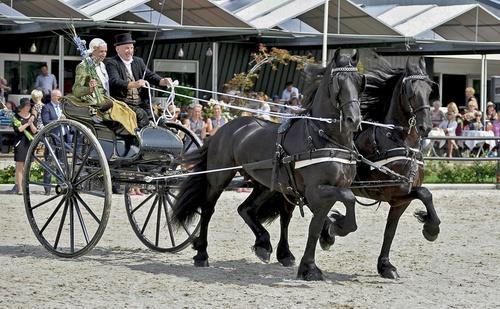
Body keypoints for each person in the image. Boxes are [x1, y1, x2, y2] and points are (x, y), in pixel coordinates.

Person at [72, 38, 138, 135]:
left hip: (106, 100)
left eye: (105, 51)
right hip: (95, 103)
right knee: (123, 115)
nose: (104, 54)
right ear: (93, 51)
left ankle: (132, 135)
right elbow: (76, 90)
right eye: (101, 51)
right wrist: (89, 89)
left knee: (130, 112)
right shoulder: (83, 66)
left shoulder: (102, 65)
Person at [105, 33, 172, 128]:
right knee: (142, 115)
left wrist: (163, 81)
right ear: (117, 49)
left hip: (140, 102)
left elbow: (150, 75)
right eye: (127, 48)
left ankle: (166, 135)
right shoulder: (112, 63)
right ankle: (140, 138)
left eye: (131, 48)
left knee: (157, 117)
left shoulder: (138, 61)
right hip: (123, 103)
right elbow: (114, 81)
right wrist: (134, 84)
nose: (130, 51)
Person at [12, 98, 37, 195]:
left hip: (29, 143)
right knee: (19, 166)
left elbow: (34, 131)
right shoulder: (15, 116)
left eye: (29, 106)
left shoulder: (32, 116)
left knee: (27, 167)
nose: (28, 107)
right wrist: (27, 123)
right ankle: (20, 188)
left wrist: (31, 123)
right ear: (22, 106)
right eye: (26, 105)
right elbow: (19, 129)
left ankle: (26, 186)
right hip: (20, 142)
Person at [40, 89, 64, 195]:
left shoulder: (62, 107)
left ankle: (61, 187)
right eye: (58, 96)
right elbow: (46, 122)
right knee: (49, 164)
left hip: (62, 139)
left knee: (62, 164)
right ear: (53, 97)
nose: (59, 98)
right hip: (51, 138)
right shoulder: (46, 107)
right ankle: (47, 189)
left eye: (60, 96)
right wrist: (58, 120)